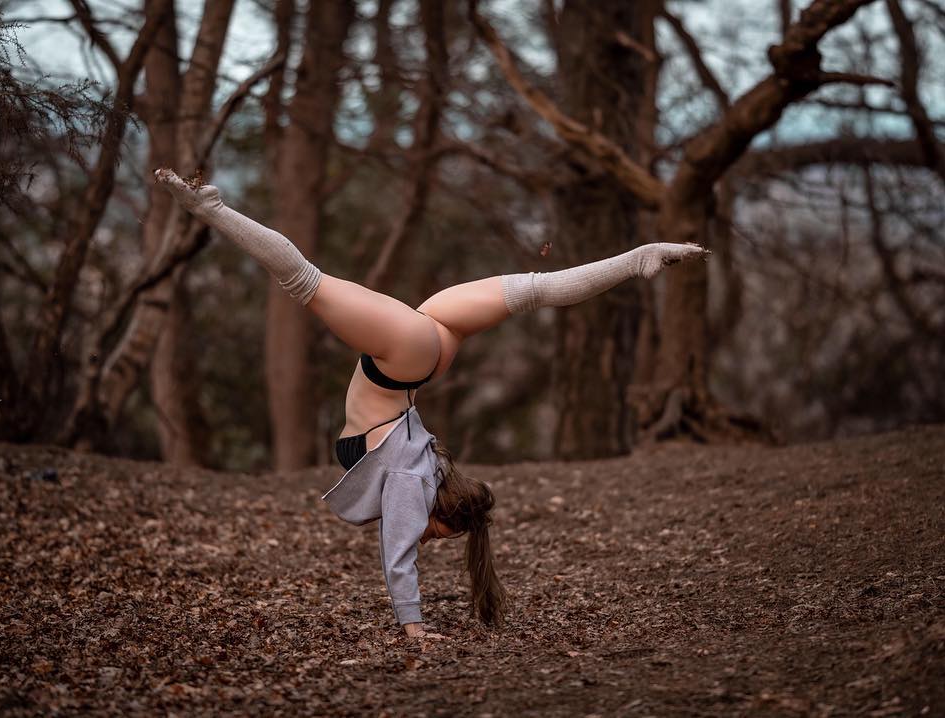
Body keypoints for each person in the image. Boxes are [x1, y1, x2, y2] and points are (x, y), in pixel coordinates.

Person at [153, 168, 708, 638]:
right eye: (439, 533)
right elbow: (398, 556)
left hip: (427, 357)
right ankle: (212, 209)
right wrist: (413, 627)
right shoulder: (413, 486)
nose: (428, 537)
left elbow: (414, 529)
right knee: (305, 281)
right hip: (404, 360)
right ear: (441, 511)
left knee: (536, 290)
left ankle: (641, 256)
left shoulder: (433, 467)